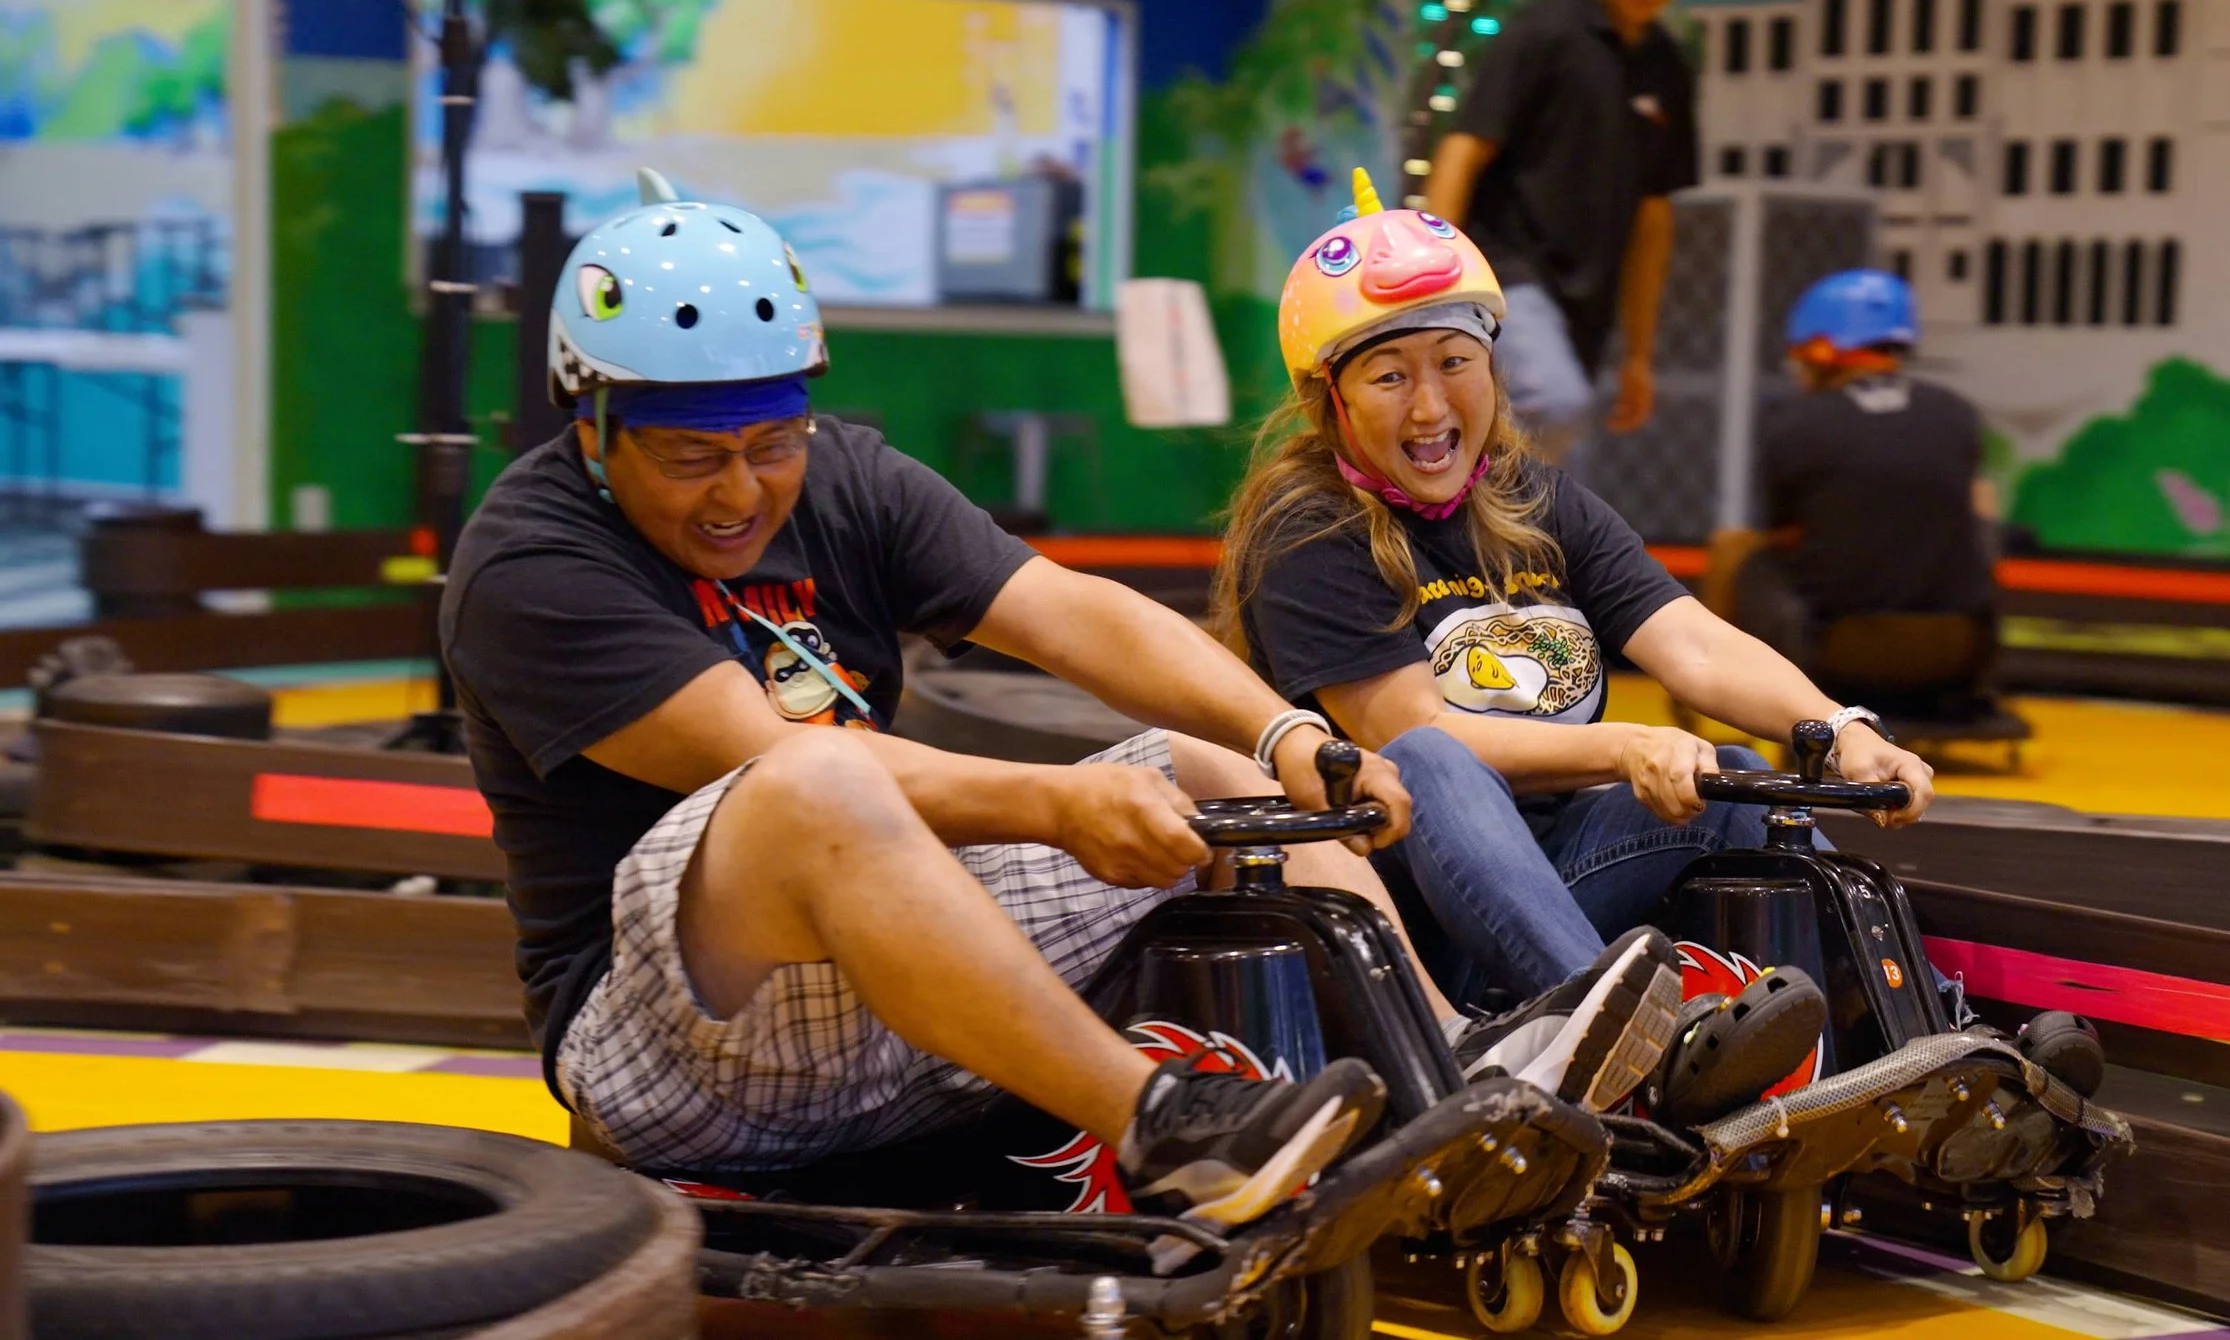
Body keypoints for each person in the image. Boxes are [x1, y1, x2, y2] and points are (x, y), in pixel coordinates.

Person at [442, 172, 1665, 1227]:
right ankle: (1167, 1127)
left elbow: (1070, 611)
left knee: (1196, 757)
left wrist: (1283, 731)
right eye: (691, 454)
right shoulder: (531, 561)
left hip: (902, 992)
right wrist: (1059, 802)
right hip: (677, 1050)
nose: (741, 492)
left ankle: (1457, 1059)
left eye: (771, 442)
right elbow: (759, 756)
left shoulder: (848, 476)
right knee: (818, 769)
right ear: (592, 431)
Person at [1216, 173, 1938, 1044]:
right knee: (1431, 761)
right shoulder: (1309, 528)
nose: (1432, 406)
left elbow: (1694, 646)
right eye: (1388, 376)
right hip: (1415, 935)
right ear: (1329, 398)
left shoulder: (1537, 500)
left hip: (1562, 881)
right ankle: (1629, 1045)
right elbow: (1415, 732)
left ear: (1491, 365)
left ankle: (1931, 1031)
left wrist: (1840, 727)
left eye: (1454, 363)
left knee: (1736, 771)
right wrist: (1625, 744)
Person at [1422, 0, 1702, 463]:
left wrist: (1640, 353)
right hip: (1506, 269)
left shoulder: (1666, 66)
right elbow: (1462, 151)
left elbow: (1653, 215)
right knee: (1555, 404)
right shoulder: (1543, 33)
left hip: (1586, 299)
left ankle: (1498, 539)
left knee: (1552, 452)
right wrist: (1441, 280)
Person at [1746, 270, 2001, 704]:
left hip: (1838, 657)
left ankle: (1758, 701)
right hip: (1953, 653)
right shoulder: (1958, 415)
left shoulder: (1795, 426)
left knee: (1739, 552)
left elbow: (1782, 536)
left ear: (1821, 348)